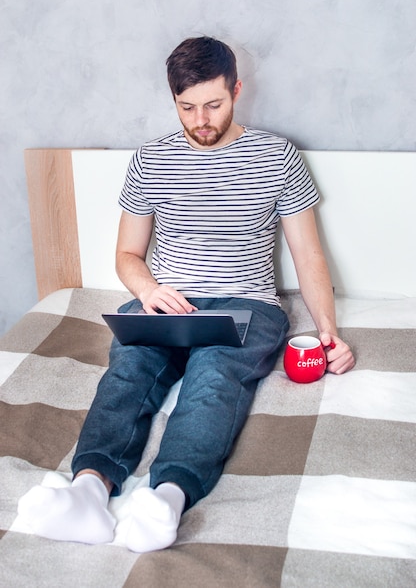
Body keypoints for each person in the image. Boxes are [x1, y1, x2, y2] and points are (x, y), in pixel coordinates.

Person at [18, 36, 355, 552]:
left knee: (214, 378)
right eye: (187, 107)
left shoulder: (276, 156)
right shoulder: (150, 160)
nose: (201, 120)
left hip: (249, 305)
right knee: (128, 371)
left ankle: (167, 498)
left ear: (237, 90)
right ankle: (89, 489)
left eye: (213, 105)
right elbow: (127, 255)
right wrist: (149, 289)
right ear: (173, 99)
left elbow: (308, 256)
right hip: (166, 303)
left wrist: (328, 333)